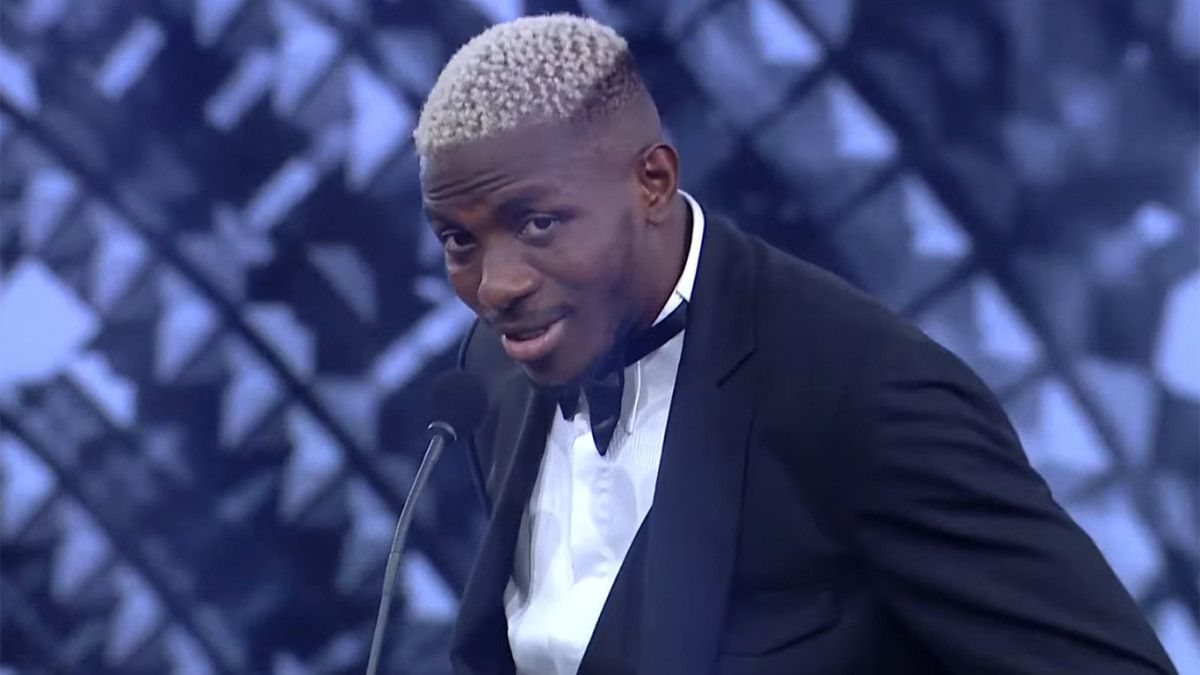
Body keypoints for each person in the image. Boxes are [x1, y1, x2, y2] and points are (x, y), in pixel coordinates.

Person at [413, 13, 1177, 675]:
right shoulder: (496, 369)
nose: (495, 286)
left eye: (538, 222)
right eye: (458, 240)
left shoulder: (865, 393)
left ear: (653, 182)